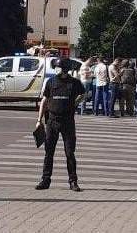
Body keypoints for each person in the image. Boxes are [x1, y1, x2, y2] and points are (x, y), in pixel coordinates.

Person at [35, 57, 86, 191]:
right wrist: (39, 120)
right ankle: (45, 180)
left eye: (58, 67)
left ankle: (73, 181)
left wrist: (75, 103)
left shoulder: (74, 83)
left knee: (69, 153)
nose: (56, 69)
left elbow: (83, 94)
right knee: (48, 153)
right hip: (52, 121)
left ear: (65, 69)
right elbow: (44, 101)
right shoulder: (51, 82)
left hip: (67, 122)